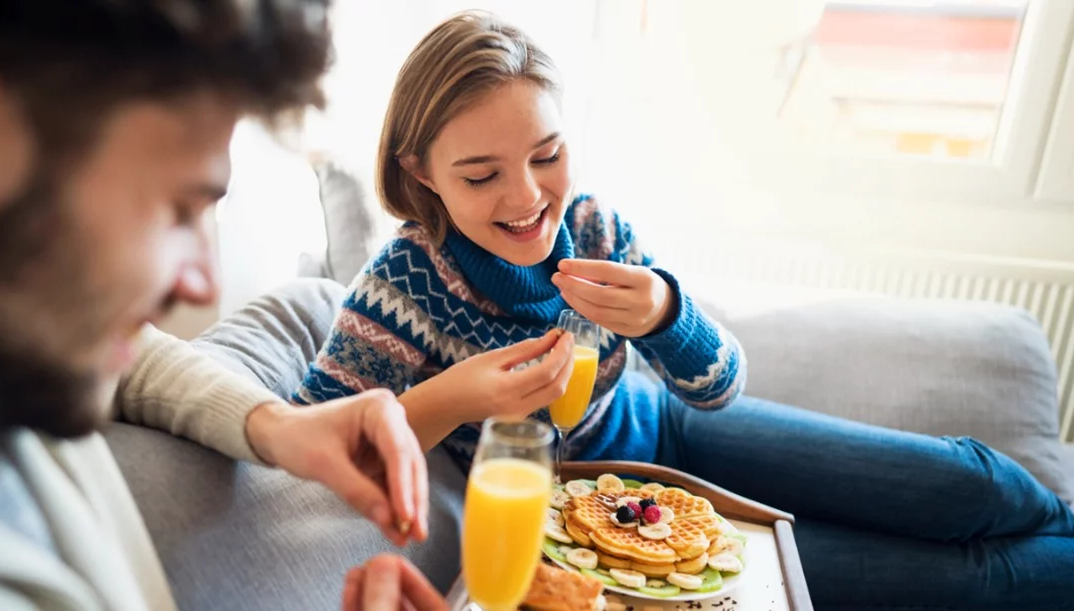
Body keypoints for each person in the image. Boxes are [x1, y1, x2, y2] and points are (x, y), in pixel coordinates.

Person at [288, 11, 1074, 611]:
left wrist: (666, 312)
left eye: (547, 156)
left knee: (967, 484)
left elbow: (720, 385)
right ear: (419, 171)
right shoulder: (402, 286)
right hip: (577, 515)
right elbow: (317, 449)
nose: (528, 197)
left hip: (677, 425)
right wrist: (459, 397)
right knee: (970, 578)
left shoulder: (593, 228)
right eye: (481, 174)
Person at [0, 2, 429, 609]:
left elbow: (133, 354)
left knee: (317, 297)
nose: (203, 283)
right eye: (180, 209)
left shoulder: (23, 341)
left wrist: (275, 423)